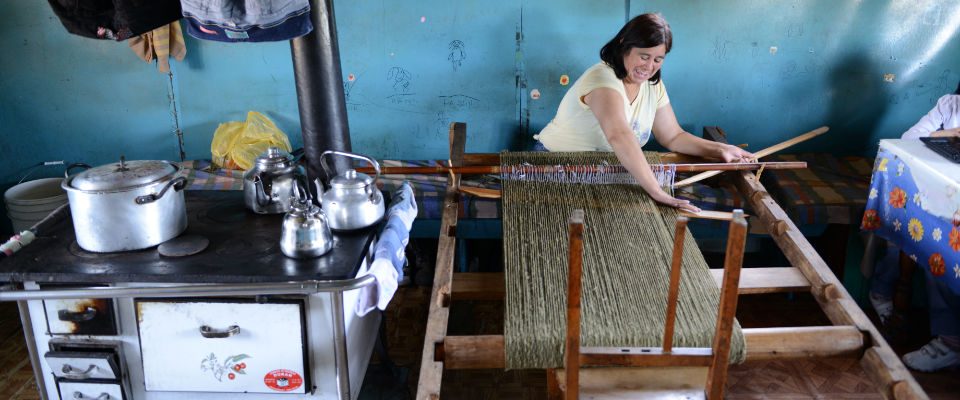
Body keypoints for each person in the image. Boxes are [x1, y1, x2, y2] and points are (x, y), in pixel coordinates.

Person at [532, 13, 753, 213]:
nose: (649, 67)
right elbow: (619, 134)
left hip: (605, 169)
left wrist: (721, 149)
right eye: (644, 56)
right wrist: (657, 191)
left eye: (658, 59)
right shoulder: (602, 79)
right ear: (623, 45)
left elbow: (673, 136)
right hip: (558, 167)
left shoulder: (652, 86)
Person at [869, 79, 960, 372]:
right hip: (942, 195)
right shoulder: (950, 105)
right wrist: (950, 133)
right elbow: (908, 138)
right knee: (927, 237)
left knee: (939, 239)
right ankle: (949, 341)